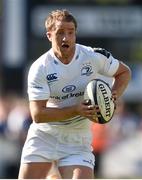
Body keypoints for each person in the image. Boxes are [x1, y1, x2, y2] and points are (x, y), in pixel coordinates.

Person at [18, 9, 131, 179]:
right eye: (60, 33)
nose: (66, 38)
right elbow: (38, 115)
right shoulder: (39, 68)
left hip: (77, 139)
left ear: (75, 34)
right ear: (49, 36)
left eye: (70, 32)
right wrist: (77, 110)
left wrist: (112, 98)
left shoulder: (92, 56)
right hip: (44, 137)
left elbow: (124, 73)